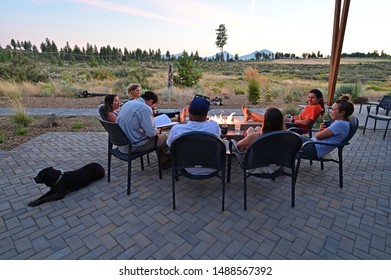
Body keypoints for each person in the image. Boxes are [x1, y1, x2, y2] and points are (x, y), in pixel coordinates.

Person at [166, 96, 221, 175]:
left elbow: (169, 145)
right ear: (206, 114)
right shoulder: (214, 126)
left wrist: (182, 122)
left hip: (186, 167)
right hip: (212, 167)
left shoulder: (177, 129)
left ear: (188, 112)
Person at [116, 91, 169, 165]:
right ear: (151, 101)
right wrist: (158, 130)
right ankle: (166, 161)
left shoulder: (129, 103)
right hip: (133, 146)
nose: (153, 108)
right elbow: (151, 133)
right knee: (166, 137)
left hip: (121, 144)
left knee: (157, 137)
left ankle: (163, 161)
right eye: (153, 106)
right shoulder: (145, 108)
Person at [242, 89, 325, 131]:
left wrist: (292, 120)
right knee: (271, 117)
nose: (309, 99)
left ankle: (250, 113)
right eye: (309, 97)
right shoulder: (314, 106)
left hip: (296, 126)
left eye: (312, 98)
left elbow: (306, 122)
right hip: (293, 122)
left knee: (270, 117)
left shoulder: (314, 108)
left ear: (319, 99)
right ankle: (250, 116)